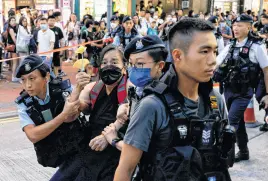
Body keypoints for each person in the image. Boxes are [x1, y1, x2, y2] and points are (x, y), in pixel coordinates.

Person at [114, 18, 234, 181]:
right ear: (177, 55)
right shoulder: (152, 106)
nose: (213, 60)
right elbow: (125, 170)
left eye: (214, 51)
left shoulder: (215, 100)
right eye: (204, 51)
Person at [15, 55, 88, 180]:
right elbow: (32, 135)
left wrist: (78, 98)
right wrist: (63, 114)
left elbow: (83, 108)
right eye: (23, 80)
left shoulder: (62, 89)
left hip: (80, 151)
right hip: (58, 156)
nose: (27, 85)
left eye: (32, 78)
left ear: (47, 77)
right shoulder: (24, 103)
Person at [67, 44, 129, 180]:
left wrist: (106, 136)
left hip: (117, 154)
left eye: (114, 62)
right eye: (104, 63)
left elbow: (127, 114)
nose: (109, 66)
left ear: (124, 67)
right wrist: (77, 89)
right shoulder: (92, 89)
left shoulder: (130, 88)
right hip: (92, 151)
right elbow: (70, 115)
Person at [214, 14, 268, 162]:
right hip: (229, 90)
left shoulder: (256, 47)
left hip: (244, 92)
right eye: (234, 26)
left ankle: (226, 157)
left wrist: (267, 94)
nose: (235, 28)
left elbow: (266, 70)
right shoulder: (231, 45)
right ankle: (244, 152)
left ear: (249, 27)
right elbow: (216, 62)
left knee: (230, 123)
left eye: (240, 26)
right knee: (239, 123)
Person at [7, 17, 19, 82]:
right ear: (9, 22)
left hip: (12, 46)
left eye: (14, 20)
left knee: (14, 62)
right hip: (13, 46)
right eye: (12, 20)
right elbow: (14, 40)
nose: (14, 21)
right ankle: (13, 76)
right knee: (15, 62)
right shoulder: (11, 29)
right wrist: (18, 46)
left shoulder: (12, 28)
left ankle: (14, 76)